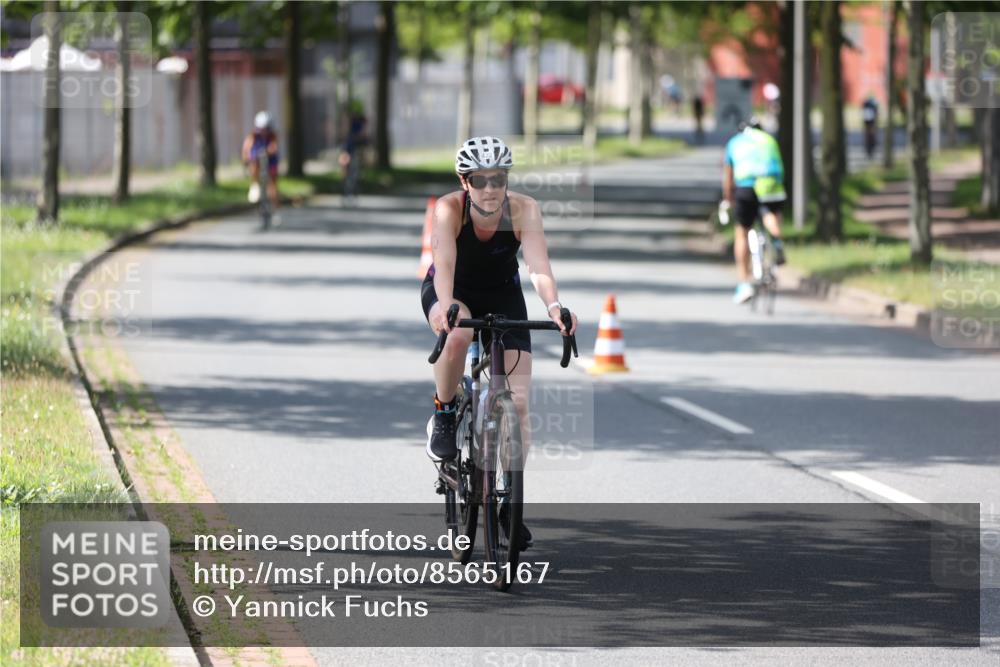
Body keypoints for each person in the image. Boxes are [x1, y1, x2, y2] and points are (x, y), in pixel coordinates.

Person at [422, 136, 578, 546]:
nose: (490, 188)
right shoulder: (449, 210)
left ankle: (510, 504)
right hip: (451, 288)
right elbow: (444, 265)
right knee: (457, 336)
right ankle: (445, 409)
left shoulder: (524, 209)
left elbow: (539, 265)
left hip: (502, 292)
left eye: (498, 178)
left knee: (520, 403)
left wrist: (555, 307)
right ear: (465, 181)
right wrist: (445, 308)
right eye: (480, 180)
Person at [722, 117, 787, 304]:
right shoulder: (769, 139)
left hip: (746, 187)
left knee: (742, 232)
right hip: (772, 185)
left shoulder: (735, 142)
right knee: (770, 214)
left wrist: (728, 198)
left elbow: (728, 176)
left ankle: (744, 284)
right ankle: (777, 241)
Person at [241, 111, 280, 215]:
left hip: (270, 159)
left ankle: (275, 209)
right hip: (256, 157)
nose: (263, 131)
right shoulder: (253, 135)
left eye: (265, 129)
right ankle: (254, 184)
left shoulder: (272, 135)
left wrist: (269, 151)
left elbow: (274, 146)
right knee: (254, 164)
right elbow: (247, 147)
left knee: (273, 183)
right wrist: (246, 158)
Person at [339, 100, 368, 201]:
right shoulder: (348, 120)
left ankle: (351, 190)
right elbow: (343, 133)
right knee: (346, 170)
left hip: (355, 149)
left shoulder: (360, 121)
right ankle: (347, 190)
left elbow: (363, 134)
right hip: (347, 149)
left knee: (354, 171)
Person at [862, 94, 879, 159]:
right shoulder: (872, 104)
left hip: (869, 122)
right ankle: (870, 150)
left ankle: (870, 150)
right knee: (870, 135)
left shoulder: (867, 104)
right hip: (870, 122)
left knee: (870, 135)